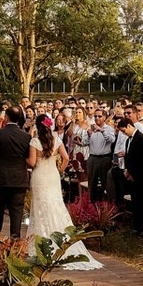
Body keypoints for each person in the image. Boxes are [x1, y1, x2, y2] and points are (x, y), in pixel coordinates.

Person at [27, 114, 102, 270]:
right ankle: (59, 239)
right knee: (56, 205)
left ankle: (42, 242)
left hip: (40, 176)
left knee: (40, 207)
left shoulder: (35, 141)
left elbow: (32, 163)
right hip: (53, 176)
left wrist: (24, 160)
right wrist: (59, 170)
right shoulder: (56, 139)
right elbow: (66, 158)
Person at [0, 106, 31, 240]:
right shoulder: (26, 136)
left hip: (0, 179)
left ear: (7, 118)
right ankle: (15, 243)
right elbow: (28, 158)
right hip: (19, 179)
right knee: (16, 213)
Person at [121, 118, 143, 234]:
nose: (123, 133)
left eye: (124, 130)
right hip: (131, 175)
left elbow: (142, 159)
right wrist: (127, 171)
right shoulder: (129, 140)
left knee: (141, 202)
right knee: (135, 201)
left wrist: (133, 173)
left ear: (129, 126)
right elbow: (129, 157)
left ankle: (141, 226)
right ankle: (136, 225)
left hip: (140, 176)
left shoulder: (141, 138)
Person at [85, 108, 116, 203]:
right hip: (92, 158)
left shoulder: (109, 129)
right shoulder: (91, 128)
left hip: (104, 158)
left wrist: (102, 131)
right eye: (95, 116)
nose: (97, 118)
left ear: (104, 117)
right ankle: (92, 205)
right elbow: (85, 142)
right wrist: (89, 135)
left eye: (99, 116)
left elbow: (111, 140)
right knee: (92, 184)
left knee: (105, 183)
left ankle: (106, 206)